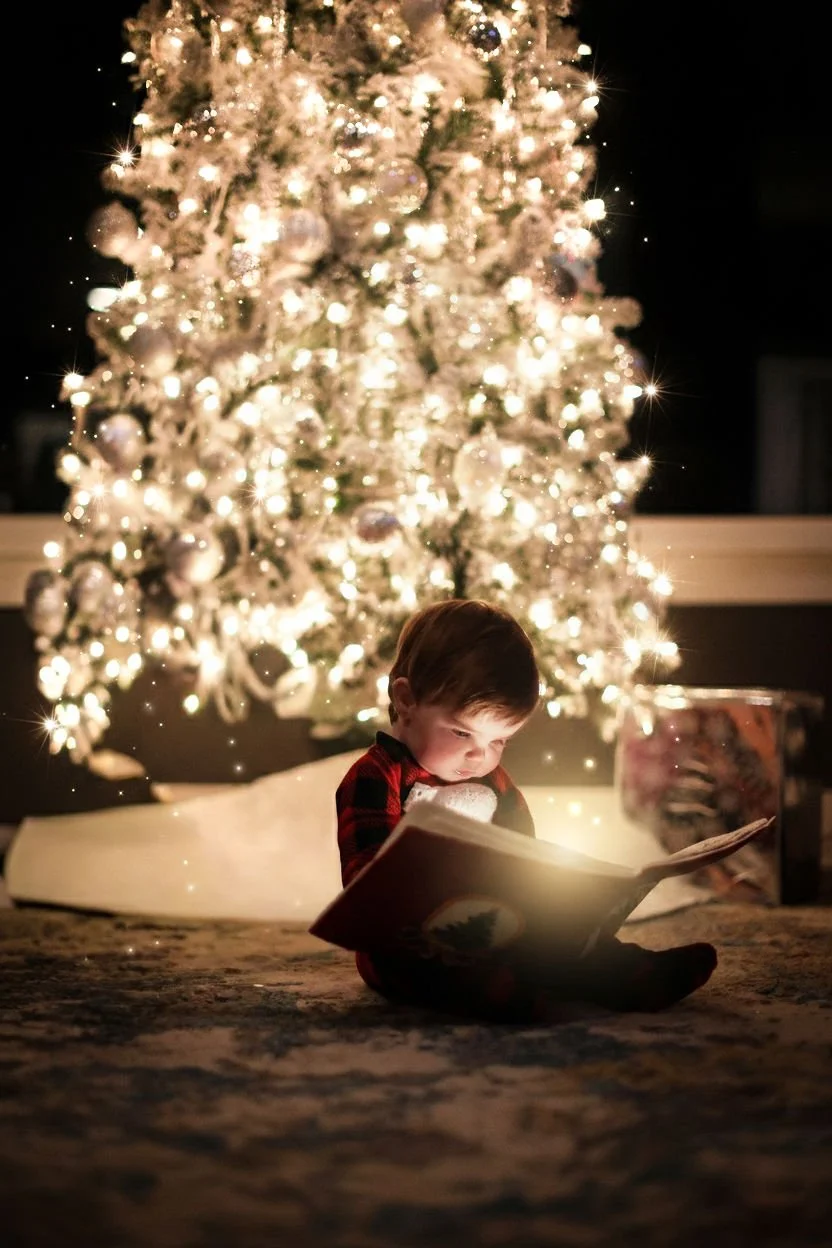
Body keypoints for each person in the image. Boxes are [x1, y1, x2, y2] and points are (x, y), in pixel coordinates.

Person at [336, 599, 717, 1022]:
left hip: (498, 924)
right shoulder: (377, 776)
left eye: (500, 741)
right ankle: (512, 992)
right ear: (405, 700)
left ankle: (630, 972)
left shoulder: (493, 783)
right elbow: (366, 882)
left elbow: (523, 853)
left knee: (562, 935)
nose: (480, 755)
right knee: (453, 971)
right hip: (407, 945)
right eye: (462, 731)